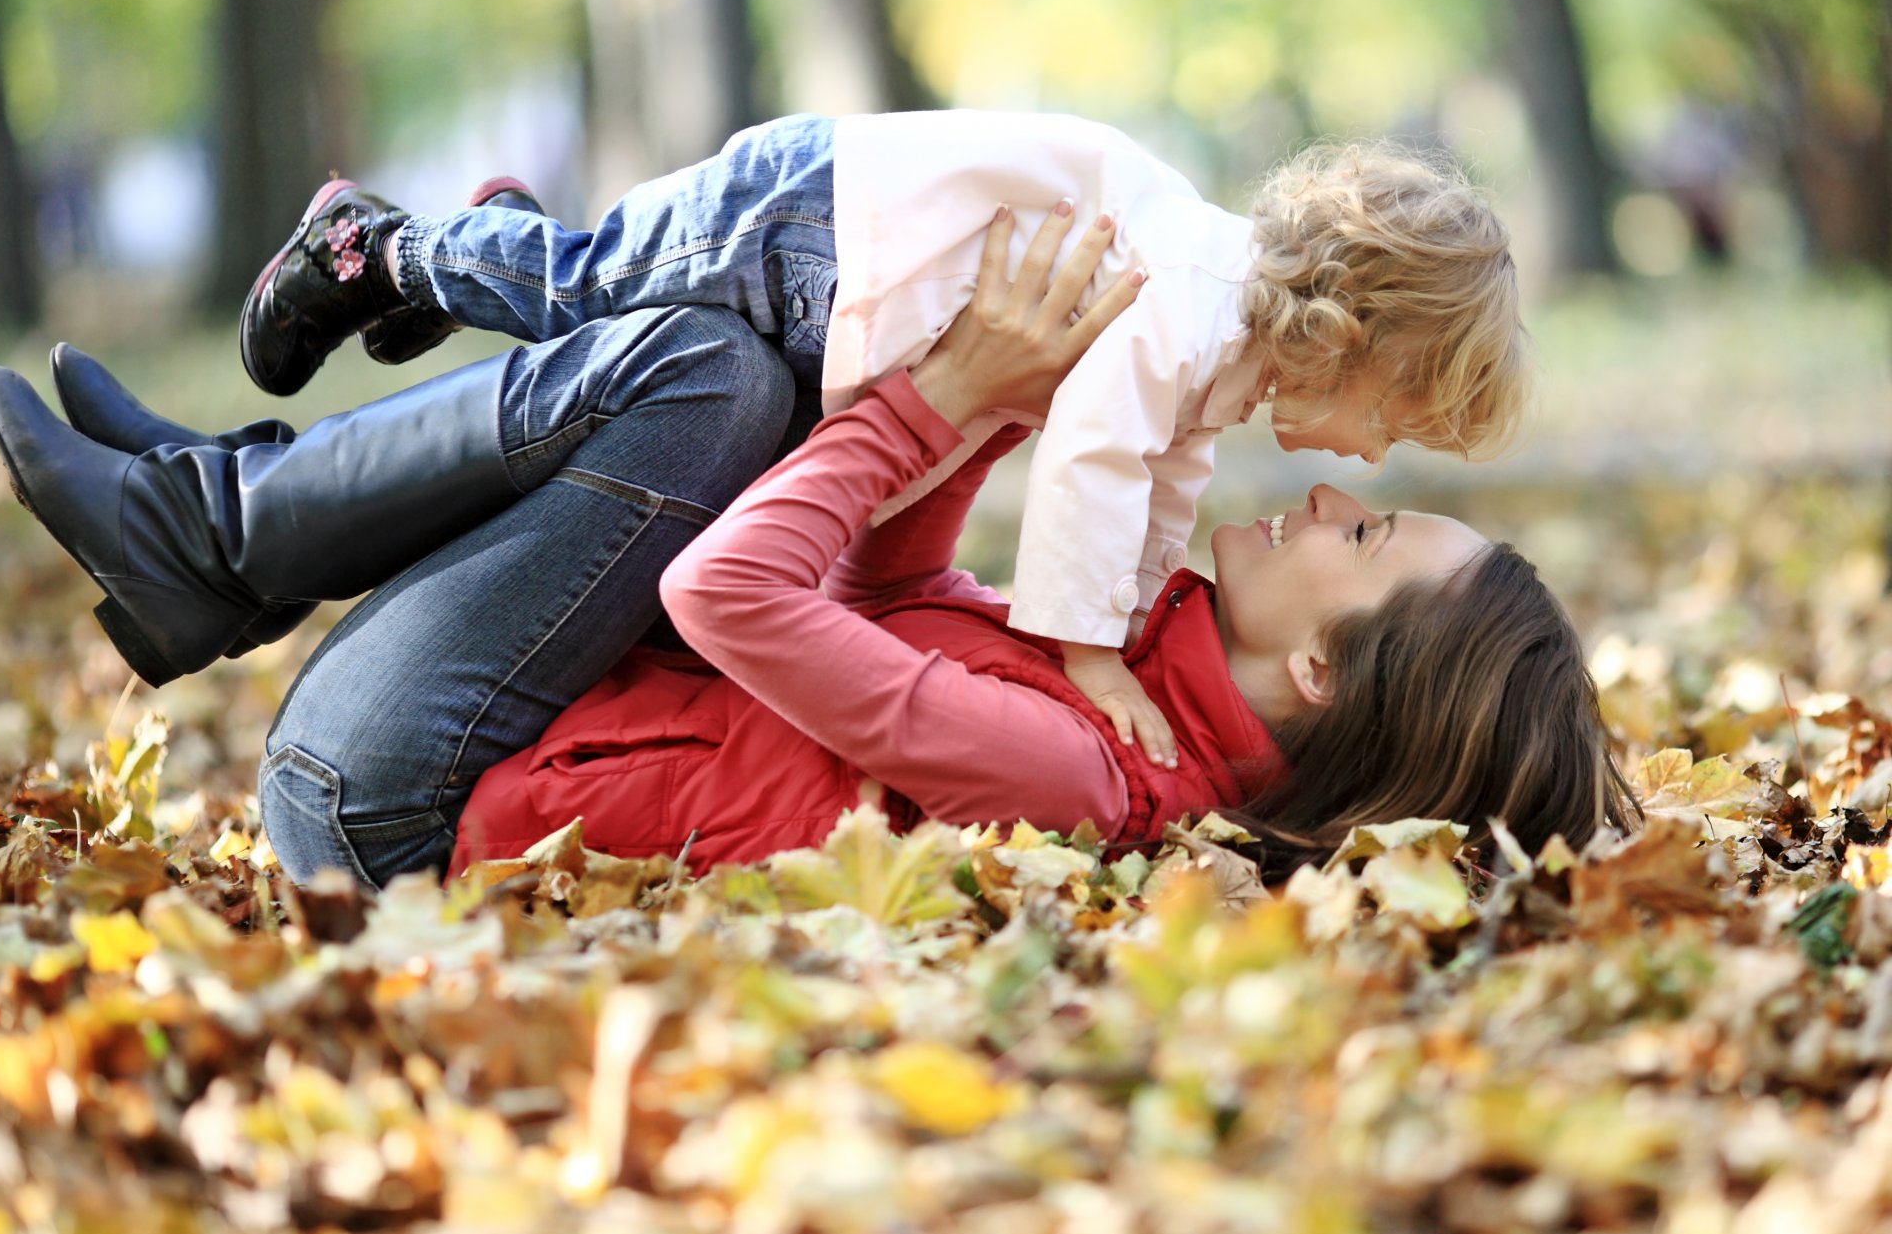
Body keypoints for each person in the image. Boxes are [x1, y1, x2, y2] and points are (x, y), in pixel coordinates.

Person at [0, 200, 1627, 891]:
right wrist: (983, 398)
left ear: (1327, 661)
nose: (1330, 500)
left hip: (398, 804)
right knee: (753, 364)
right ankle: (210, 516)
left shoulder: (1082, 767)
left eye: (1372, 530)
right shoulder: (1129, 692)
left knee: (704, 375)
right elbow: (889, 598)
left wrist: (940, 406)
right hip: (496, 730)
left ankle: (212, 527)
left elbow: (735, 591)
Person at [236, 111, 1527, 772]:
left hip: (847, 270)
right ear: (1353, 338)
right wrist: (1086, 654)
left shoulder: (1222, 354)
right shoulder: (1196, 303)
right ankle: (379, 246)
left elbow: (1159, 479)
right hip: (818, 225)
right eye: (1392, 419)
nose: (1362, 458)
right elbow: (1091, 460)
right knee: (590, 295)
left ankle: (478, 257)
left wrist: (1131, 621)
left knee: (605, 310)